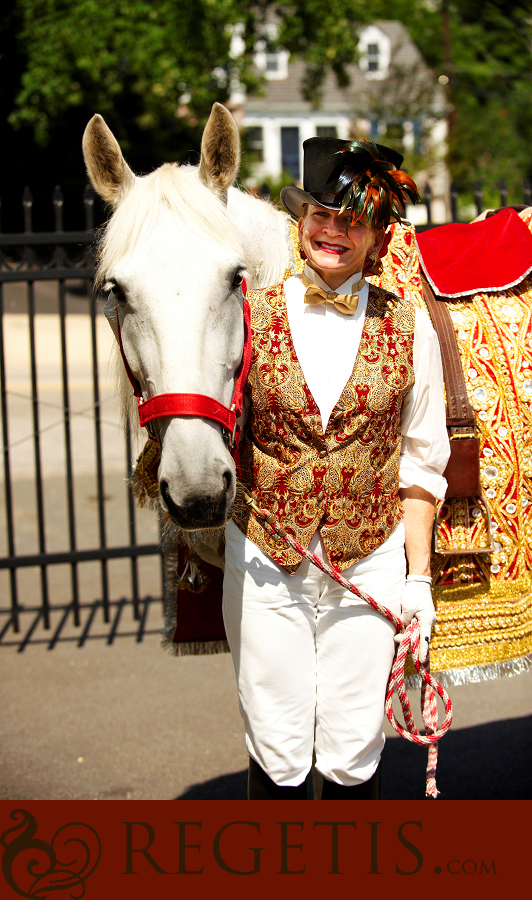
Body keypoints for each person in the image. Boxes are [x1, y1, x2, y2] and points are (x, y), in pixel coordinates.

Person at [222, 137, 450, 799]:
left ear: (378, 237)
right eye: (323, 213)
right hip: (268, 562)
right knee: (277, 747)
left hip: (369, 561)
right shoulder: (246, 315)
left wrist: (420, 579)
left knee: (352, 751)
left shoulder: (410, 328)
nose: (334, 231)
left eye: (354, 221)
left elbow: (422, 458)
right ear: (302, 221)